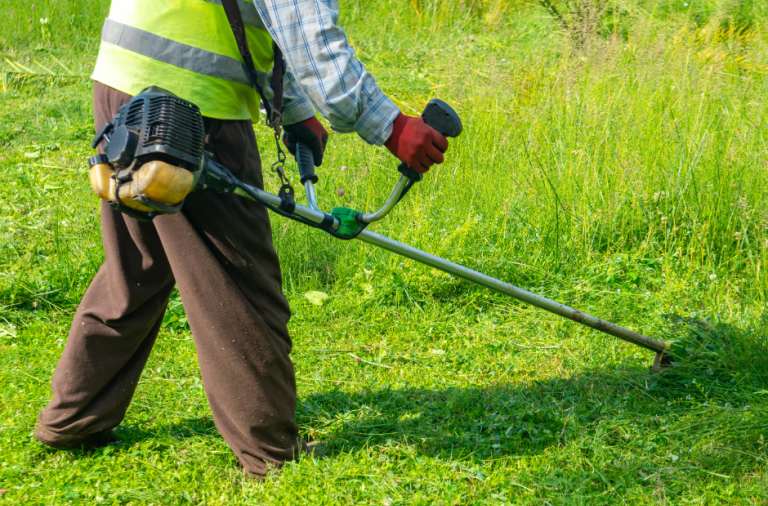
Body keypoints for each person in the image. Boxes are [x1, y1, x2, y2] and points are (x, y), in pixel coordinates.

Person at [34, 0, 449, 478]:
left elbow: (265, 18)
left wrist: (291, 108)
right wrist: (392, 126)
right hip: (191, 107)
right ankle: (270, 452)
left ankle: (73, 416)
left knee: (138, 264)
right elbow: (307, 33)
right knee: (238, 280)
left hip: (123, 82)